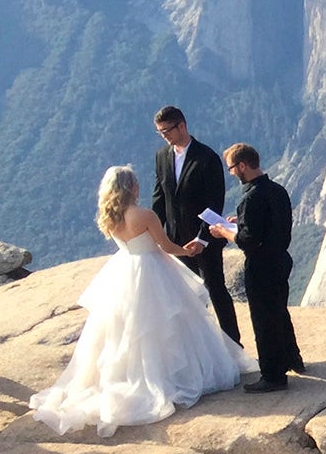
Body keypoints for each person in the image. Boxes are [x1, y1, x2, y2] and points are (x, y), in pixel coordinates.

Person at [29, 166, 256, 436]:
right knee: (169, 322)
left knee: (126, 330)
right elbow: (165, 246)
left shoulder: (109, 216)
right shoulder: (144, 214)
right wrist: (189, 250)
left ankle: (126, 376)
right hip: (152, 270)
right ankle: (172, 375)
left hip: (123, 271)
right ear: (131, 187)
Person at [208, 143, 304, 393]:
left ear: (242, 166)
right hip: (281, 259)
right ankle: (293, 357)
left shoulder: (251, 198)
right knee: (280, 312)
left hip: (261, 266)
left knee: (264, 319)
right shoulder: (277, 190)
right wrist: (239, 221)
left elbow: (249, 241)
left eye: (231, 168)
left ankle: (273, 375)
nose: (231, 173)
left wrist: (224, 232)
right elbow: (270, 223)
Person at [150, 105, 240, 343]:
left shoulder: (206, 157)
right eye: (160, 132)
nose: (164, 136)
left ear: (182, 125)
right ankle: (199, 345)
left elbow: (214, 202)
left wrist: (202, 239)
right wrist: (154, 232)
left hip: (205, 241)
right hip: (175, 241)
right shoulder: (161, 157)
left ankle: (233, 344)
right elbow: (160, 198)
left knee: (216, 290)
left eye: (167, 130)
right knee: (186, 296)